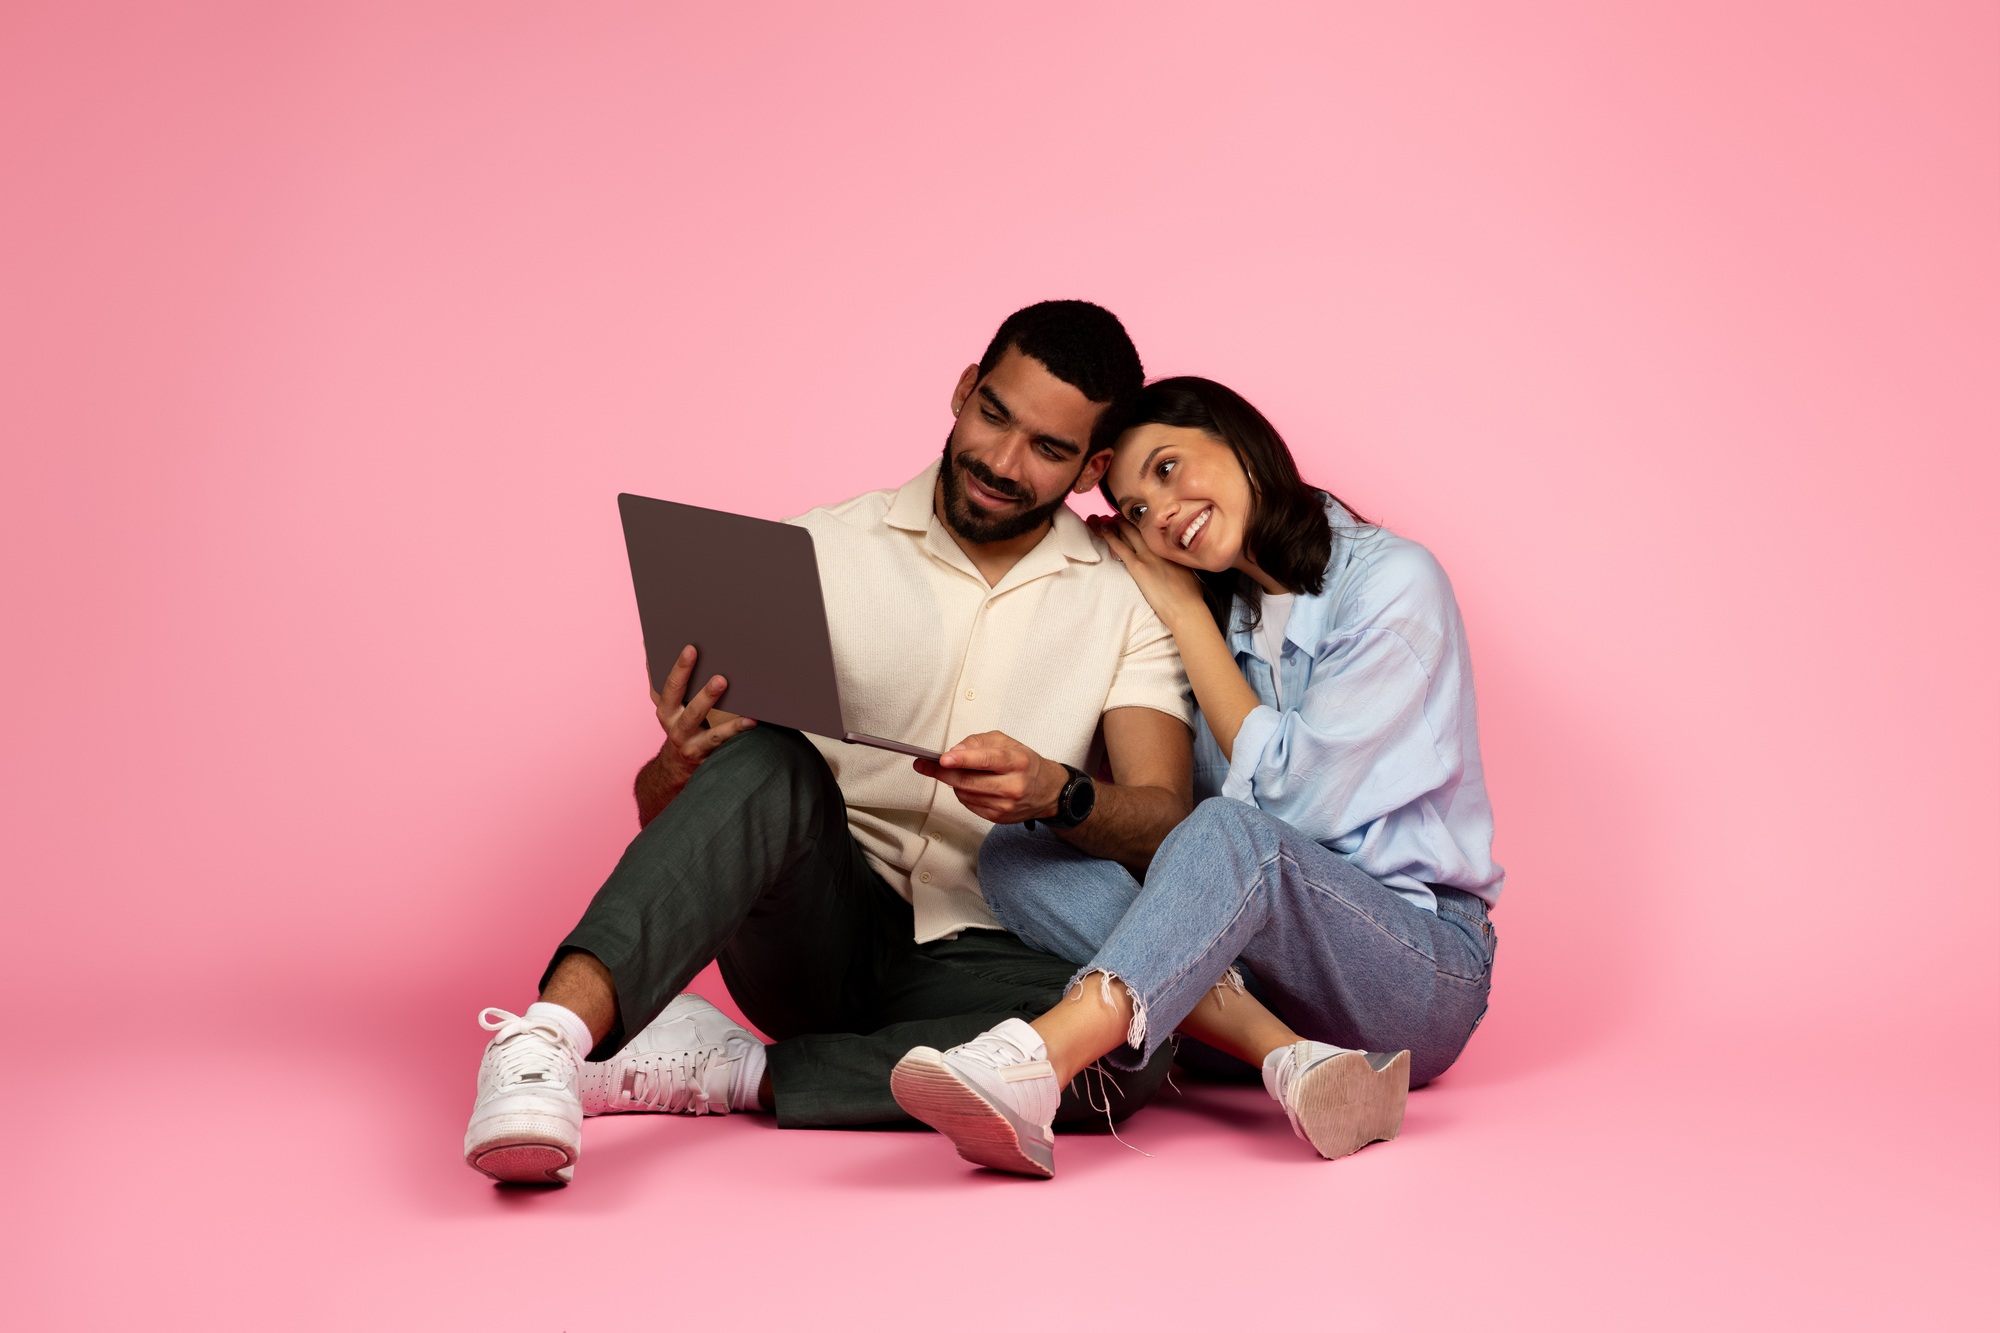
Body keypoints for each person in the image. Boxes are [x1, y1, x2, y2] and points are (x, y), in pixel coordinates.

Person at [463, 301, 1201, 1185]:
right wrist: (678, 765)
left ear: (1092, 468)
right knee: (773, 755)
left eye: (1047, 449)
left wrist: (1058, 791)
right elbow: (675, 814)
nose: (1002, 462)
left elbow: (1165, 820)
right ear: (964, 390)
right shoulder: (819, 548)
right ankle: (544, 1042)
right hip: (811, 932)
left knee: (1123, 1053)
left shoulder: (1124, 605)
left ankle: (731, 1073)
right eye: (994, 415)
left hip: (985, 954)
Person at [889, 376, 1502, 1179]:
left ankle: (1036, 1060)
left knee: (1229, 833)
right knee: (1017, 851)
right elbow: (1161, 819)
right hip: (1275, 979)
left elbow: (1295, 809)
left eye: (1169, 469)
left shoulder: (1392, 583)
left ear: (1239, 438)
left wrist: (1180, 613)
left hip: (1415, 969)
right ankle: (1293, 1060)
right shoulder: (1226, 612)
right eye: (1137, 509)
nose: (1161, 513)